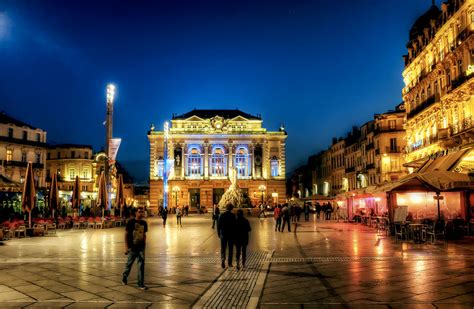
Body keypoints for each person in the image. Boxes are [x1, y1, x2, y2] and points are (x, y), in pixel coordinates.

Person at [122, 207, 148, 290]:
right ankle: (124, 276)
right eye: (139, 212)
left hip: (141, 247)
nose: (141, 213)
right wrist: (126, 247)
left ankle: (140, 283)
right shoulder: (130, 222)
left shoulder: (144, 223)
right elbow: (126, 235)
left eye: (142, 212)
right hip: (132, 247)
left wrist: (144, 244)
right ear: (136, 213)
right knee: (129, 264)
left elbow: (144, 235)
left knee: (141, 265)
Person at [217, 203, 236, 268]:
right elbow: (234, 226)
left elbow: (218, 225)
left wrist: (219, 234)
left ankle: (223, 259)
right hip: (231, 235)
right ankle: (229, 263)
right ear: (231, 208)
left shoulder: (222, 215)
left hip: (223, 234)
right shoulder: (233, 215)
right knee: (230, 249)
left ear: (226, 208)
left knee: (223, 248)